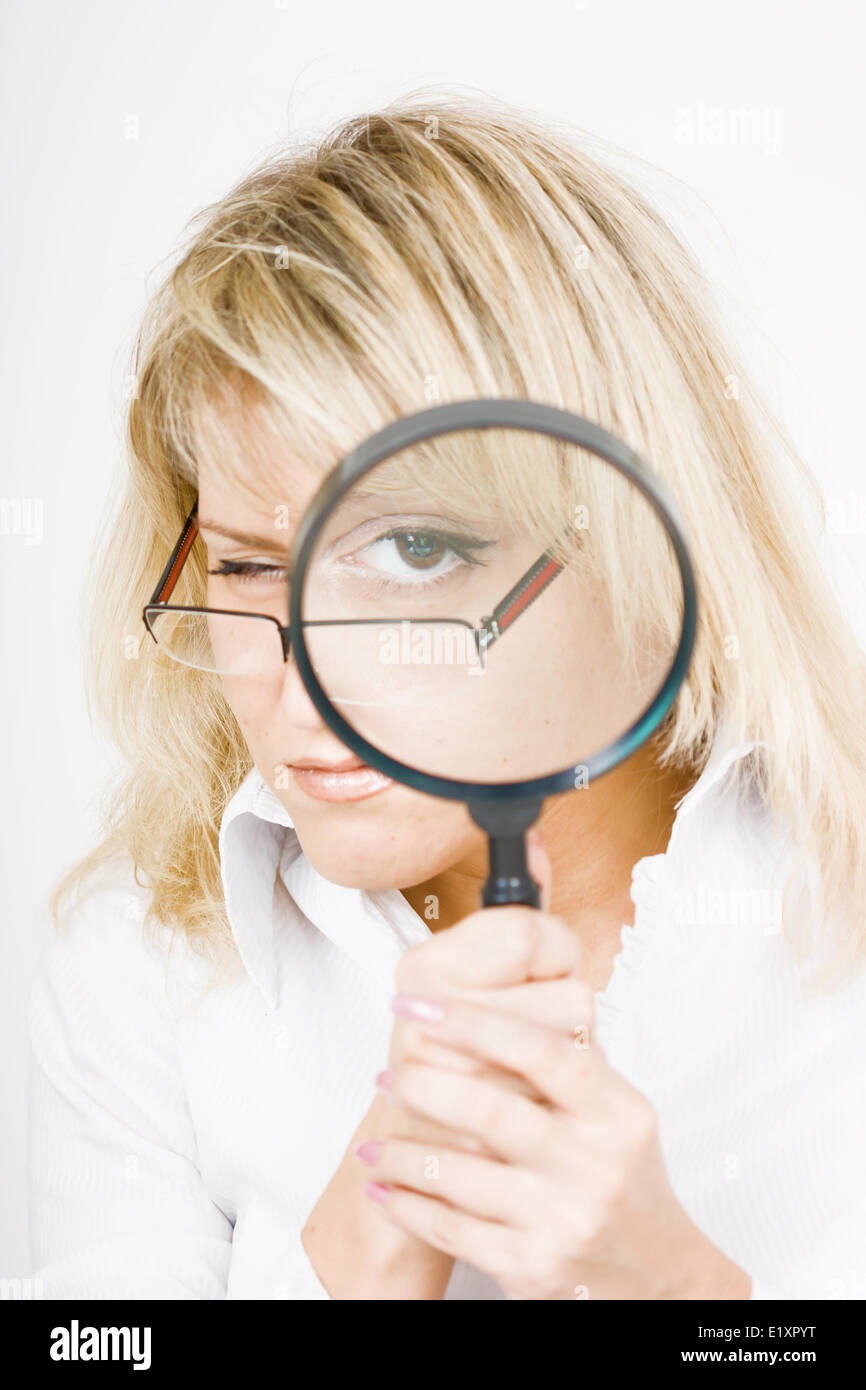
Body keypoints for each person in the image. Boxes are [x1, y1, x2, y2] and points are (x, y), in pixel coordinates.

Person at [28, 89, 866, 1301]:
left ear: (637, 544)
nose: (295, 682)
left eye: (413, 552)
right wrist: (354, 1262)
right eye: (251, 564)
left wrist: (687, 1308)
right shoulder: (141, 964)